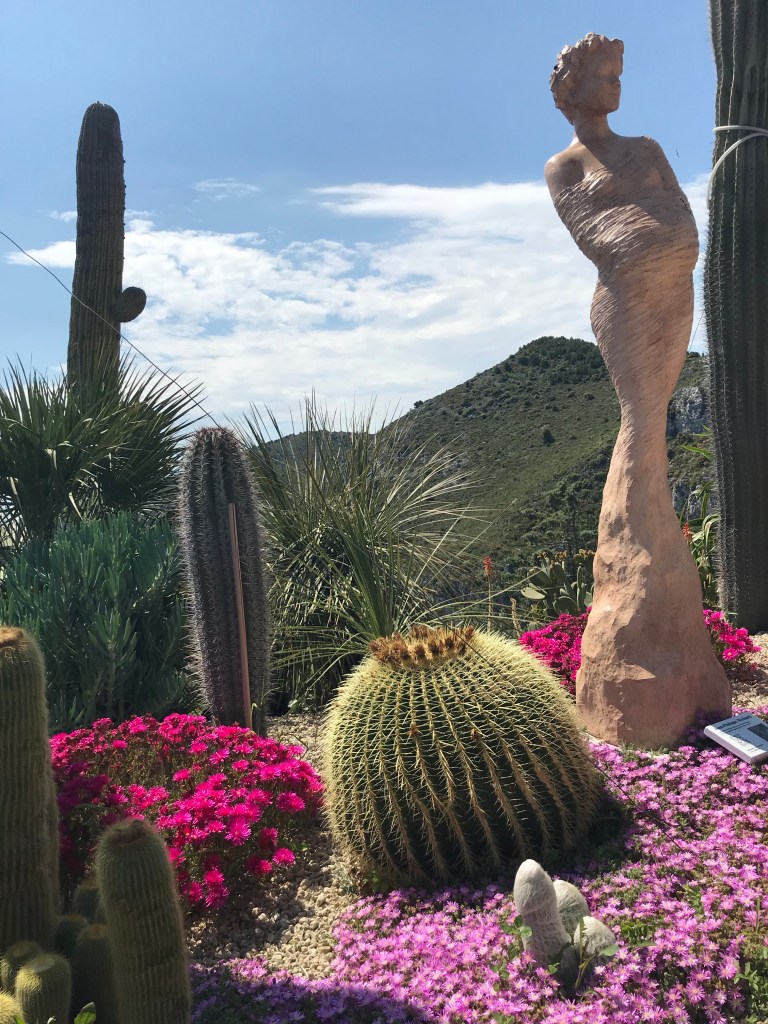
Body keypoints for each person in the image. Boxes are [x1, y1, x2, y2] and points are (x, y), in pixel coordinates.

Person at [544, 33, 730, 748]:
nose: (617, 87)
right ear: (573, 85)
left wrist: (661, 242)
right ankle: (635, 589)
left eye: (621, 75)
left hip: (671, 297)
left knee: (651, 427)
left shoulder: (647, 147)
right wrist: (650, 241)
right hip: (624, 307)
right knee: (640, 424)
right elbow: (599, 235)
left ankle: (667, 604)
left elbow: (681, 219)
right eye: (604, 76)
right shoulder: (563, 167)